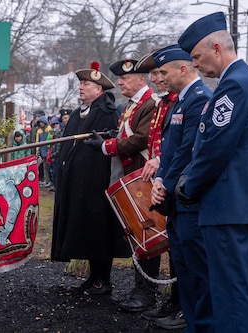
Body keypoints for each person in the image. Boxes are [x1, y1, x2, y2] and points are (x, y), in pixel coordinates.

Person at [175, 12, 248, 332]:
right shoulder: (237, 81)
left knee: (230, 292)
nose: (196, 65)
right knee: (240, 288)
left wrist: (189, 185)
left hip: (228, 204)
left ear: (217, 48)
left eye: (197, 57)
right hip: (234, 204)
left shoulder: (234, 85)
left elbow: (216, 147)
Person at [85, 59, 160, 312]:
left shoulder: (150, 103)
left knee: (146, 233)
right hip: (129, 176)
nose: (119, 82)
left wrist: (107, 146)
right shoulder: (133, 105)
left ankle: (147, 293)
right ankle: (140, 289)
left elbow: (140, 139)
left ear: (141, 79)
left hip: (141, 177)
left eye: (125, 79)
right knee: (135, 234)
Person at [51, 61, 130, 296]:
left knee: (99, 229)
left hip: (97, 183)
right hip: (78, 183)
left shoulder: (107, 113)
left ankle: (103, 280)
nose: (81, 87)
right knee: (84, 228)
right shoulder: (78, 113)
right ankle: (93, 277)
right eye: (81, 83)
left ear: (99, 89)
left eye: (86, 84)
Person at [149, 44, 213, 331]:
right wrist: (160, 178)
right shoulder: (180, 101)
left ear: (182, 69)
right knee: (184, 268)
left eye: (163, 71)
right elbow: (169, 148)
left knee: (197, 271)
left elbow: (188, 150)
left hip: (189, 200)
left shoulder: (199, 99)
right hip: (174, 197)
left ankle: (201, 323)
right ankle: (191, 321)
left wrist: (166, 183)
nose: (159, 77)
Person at [135, 49, 183, 328]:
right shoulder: (164, 102)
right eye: (154, 74)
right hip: (161, 179)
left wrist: (162, 162)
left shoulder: (180, 101)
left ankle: (180, 302)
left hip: (173, 179)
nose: (156, 79)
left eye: (159, 73)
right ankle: (174, 301)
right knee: (172, 244)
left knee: (179, 249)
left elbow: (176, 146)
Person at [35, 115, 52, 187]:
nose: (41, 124)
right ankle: (46, 180)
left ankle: (50, 180)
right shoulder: (39, 131)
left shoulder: (49, 128)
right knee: (44, 166)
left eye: (42, 122)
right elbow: (37, 141)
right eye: (40, 123)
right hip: (42, 150)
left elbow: (50, 138)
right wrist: (37, 150)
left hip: (48, 149)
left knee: (49, 166)